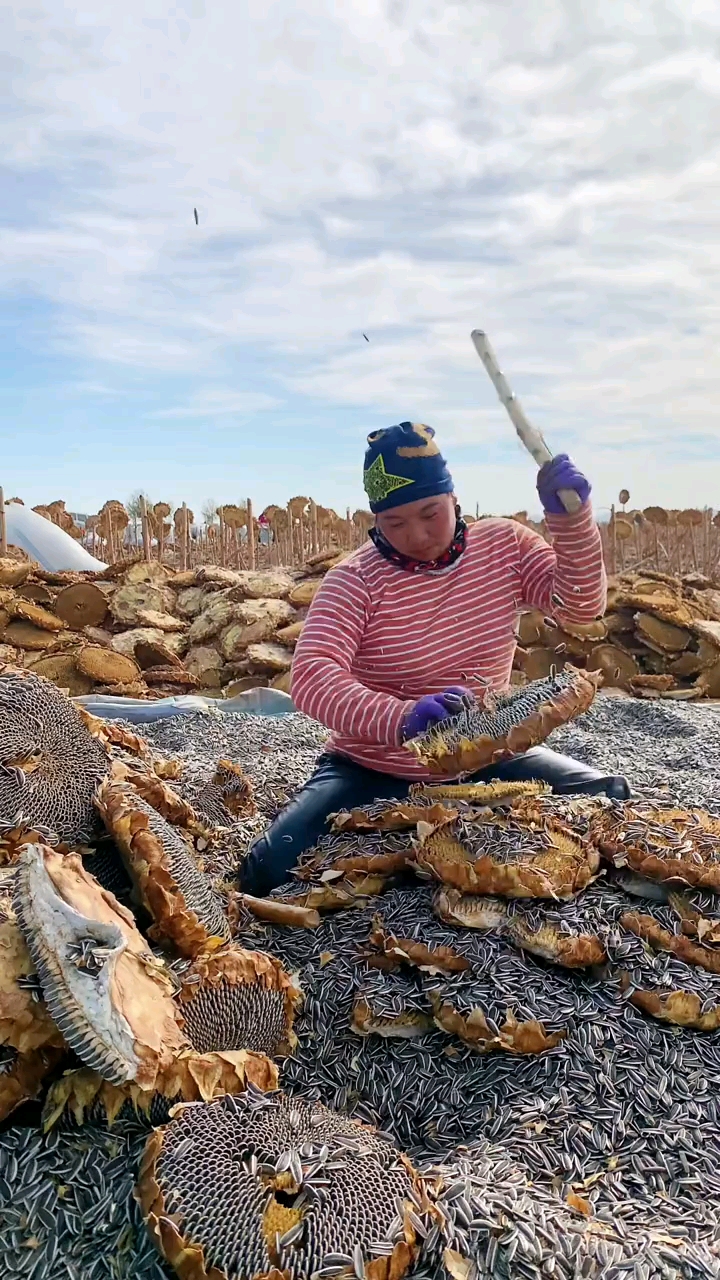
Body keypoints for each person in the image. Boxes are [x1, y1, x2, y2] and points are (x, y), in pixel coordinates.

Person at [240, 422, 629, 896]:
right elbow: (313, 678)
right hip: (370, 765)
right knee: (269, 867)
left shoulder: (504, 546)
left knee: (609, 799)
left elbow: (579, 606)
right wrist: (402, 719)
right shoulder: (353, 582)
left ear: (454, 499)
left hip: (487, 756)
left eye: (430, 513)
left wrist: (571, 521)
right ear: (375, 520)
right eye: (395, 523)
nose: (419, 535)